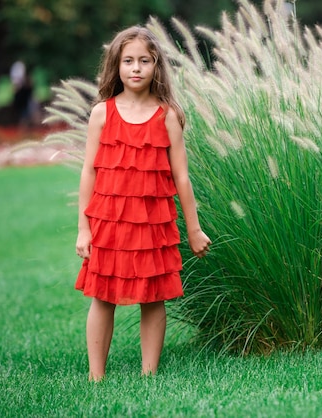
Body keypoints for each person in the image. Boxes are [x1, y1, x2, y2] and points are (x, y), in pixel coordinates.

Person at [74, 25, 212, 382]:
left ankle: (149, 373)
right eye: (128, 61)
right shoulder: (102, 114)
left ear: (156, 66)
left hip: (154, 221)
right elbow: (88, 172)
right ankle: (96, 375)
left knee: (153, 296)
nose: (136, 68)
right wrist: (83, 228)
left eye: (144, 61)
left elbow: (182, 177)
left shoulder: (167, 116)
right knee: (103, 295)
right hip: (109, 220)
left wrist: (194, 229)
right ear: (116, 66)